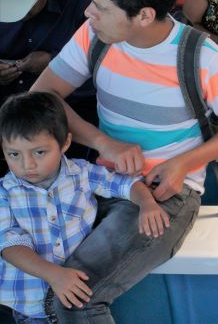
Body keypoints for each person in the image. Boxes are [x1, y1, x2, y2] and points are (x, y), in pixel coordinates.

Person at [30, 0, 218, 323]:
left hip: (164, 192)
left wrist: (183, 163)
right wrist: (103, 142)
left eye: (100, 7)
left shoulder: (202, 56)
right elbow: (44, 95)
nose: (88, 13)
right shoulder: (93, 36)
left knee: (74, 298)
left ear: (144, 15)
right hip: (99, 180)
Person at [0, 92, 169, 323]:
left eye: (39, 152)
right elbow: (10, 246)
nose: (27, 164)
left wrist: (147, 203)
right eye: (14, 154)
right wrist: (55, 275)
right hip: (32, 310)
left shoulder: (82, 174)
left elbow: (124, 184)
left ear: (65, 143)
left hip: (78, 302)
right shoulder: (4, 193)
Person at [0, 0, 95, 170]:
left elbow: (100, 61)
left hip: (68, 111)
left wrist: (55, 63)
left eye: (24, 5)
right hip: (7, 113)